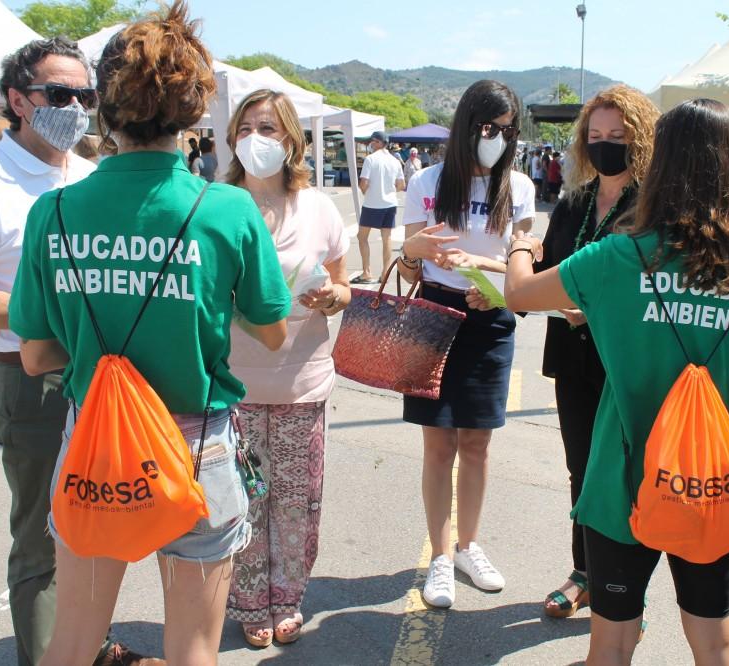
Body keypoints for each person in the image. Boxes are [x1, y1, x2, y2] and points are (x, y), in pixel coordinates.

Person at [6, 4, 291, 664]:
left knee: (73, 640)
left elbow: (35, 354)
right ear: (194, 110)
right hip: (197, 451)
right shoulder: (226, 208)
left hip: (95, 447)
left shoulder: (54, 210)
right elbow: (273, 333)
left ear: (104, 107)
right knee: (193, 646)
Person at [505, 98, 729, 666]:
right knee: (717, 641)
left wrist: (521, 246)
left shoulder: (619, 258)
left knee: (612, 643)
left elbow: (519, 292)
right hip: (715, 483)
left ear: (660, 166)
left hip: (624, 480)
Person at [0, 37, 155, 666]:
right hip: (32, 382)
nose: (76, 108)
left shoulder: (86, 175)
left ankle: (88, 647)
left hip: (97, 379)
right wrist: (54, 315)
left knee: (96, 528)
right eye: (59, 94)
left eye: (86, 96)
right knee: (41, 538)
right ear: (18, 100)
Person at [397, 80, 535, 608]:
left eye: (507, 130)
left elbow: (524, 266)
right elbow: (410, 268)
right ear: (466, 126)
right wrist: (411, 250)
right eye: (488, 127)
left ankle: (468, 547)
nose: (496, 138)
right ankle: (439, 556)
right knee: (439, 445)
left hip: (491, 318)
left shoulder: (518, 187)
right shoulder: (426, 181)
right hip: (434, 313)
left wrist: (494, 285)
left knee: (477, 443)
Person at [222, 88, 351, 648]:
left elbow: (344, 284)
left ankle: (288, 596)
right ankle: (250, 601)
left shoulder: (319, 208)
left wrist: (333, 297)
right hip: (232, 386)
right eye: (246, 128)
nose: (256, 139)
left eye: (268, 128)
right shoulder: (215, 204)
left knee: (298, 502)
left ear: (292, 139)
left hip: (304, 382)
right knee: (242, 500)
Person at [535, 85, 659, 621]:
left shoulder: (655, 207)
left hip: (624, 361)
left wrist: (600, 309)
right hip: (572, 356)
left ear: (641, 139)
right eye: (596, 135)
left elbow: (657, 287)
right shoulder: (574, 202)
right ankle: (585, 572)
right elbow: (546, 268)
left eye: (618, 135)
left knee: (628, 474)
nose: (605, 144)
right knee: (581, 470)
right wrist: (495, 276)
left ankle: (626, 589)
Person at [352, 130, 404, 284]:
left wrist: (366, 191)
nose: (371, 144)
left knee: (362, 237)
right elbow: (401, 185)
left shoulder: (370, 159)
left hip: (372, 204)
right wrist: (389, 191)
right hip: (390, 203)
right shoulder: (395, 161)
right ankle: (385, 272)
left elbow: (364, 183)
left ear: (379, 143)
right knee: (386, 238)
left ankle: (366, 272)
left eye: (373, 141)